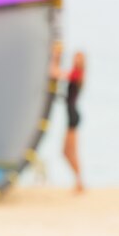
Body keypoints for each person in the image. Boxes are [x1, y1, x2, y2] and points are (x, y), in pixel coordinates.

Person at [49, 48, 86, 192]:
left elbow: (55, 72)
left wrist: (56, 58)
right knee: (66, 152)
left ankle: (79, 181)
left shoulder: (77, 74)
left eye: (79, 58)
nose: (76, 60)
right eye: (75, 57)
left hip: (73, 116)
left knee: (70, 151)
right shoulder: (76, 74)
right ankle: (78, 181)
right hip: (71, 115)